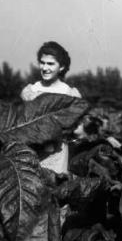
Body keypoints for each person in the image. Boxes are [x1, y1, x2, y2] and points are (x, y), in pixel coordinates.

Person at [20, 41, 82, 173]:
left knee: (55, 187)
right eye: (42, 62)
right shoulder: (30, 92)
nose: (44, 68)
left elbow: (78, 130)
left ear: (61, 67)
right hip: (32, 152)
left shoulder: (69, 94)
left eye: (50, 64)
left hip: (57, 155)